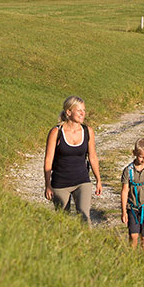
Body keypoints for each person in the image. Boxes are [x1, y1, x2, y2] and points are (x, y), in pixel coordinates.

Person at [43, 96, 103, 224]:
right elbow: (48, 160)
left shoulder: (88, 131)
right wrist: (47, 185)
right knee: (62, 220)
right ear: (68, 112)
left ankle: (86, 243)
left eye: (84, 110)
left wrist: (98, 179)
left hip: (82, 181)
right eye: (79, 110)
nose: (83, 113)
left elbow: (92, 156)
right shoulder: (56, 132)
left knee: (84, 216)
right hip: (60, 184)